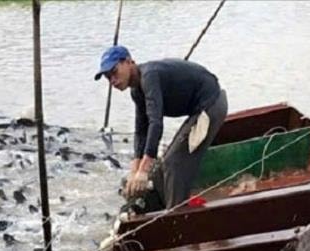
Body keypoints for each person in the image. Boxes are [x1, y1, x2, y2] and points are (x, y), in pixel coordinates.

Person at [95, 45, 228, 210]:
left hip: (211, 105)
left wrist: (144, 170)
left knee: (174, 161)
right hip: (199, 110)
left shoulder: (150, 76)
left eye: (114, 72)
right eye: (108, 77)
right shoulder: (136, 91)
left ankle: (176, 214)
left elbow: (156, 123)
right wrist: (135, 170)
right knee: (164, 162)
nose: (112, 81)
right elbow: (141, 131)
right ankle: (165, 206)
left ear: (129, 62)